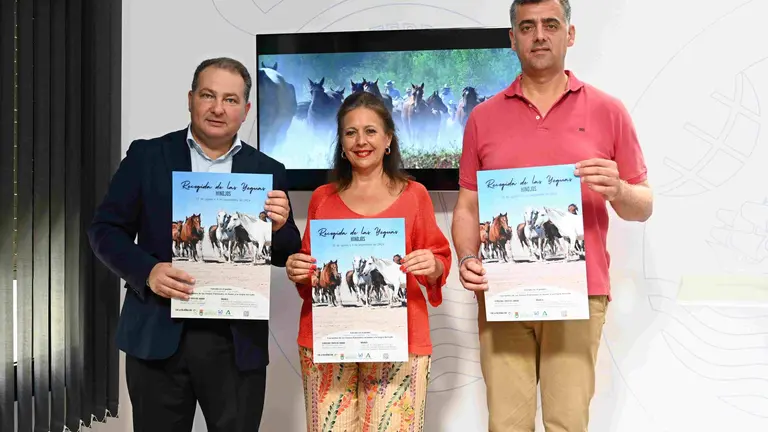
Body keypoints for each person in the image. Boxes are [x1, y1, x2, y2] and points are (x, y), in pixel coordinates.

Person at [451, 1, 654, 431]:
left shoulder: (609, 110)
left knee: (567, 423)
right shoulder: (482, 118)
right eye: (527, 27)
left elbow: (643, 205)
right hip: (503, 294)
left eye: (550, 25)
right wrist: (467, 257)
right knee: (506, 425)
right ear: (513, 39)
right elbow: (468, 206)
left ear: (570, 34)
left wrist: (618, 189)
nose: (539, 35)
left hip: (579, 294)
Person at [88, 57, 301, 432]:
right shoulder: (146, 156)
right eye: (208, 95)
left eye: (231, 99)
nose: (218, 108)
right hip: (157, 336)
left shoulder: (268, 170)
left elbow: (286, 252)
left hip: (235, 344)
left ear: (246, 109)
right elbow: (104, 230)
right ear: (190, 99)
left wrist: (281, 225)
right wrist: (147, 271)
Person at [285, 91, 452, 431]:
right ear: (341, 143)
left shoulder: (415, 195)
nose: (361, 141)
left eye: (371, 131)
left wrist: (433, 265)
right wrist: (298, 270)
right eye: (351, 132)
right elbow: (311, 276)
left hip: (400, 343)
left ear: (388, 138)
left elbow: (439, 260)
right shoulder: (322, 199)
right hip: (328, 342)